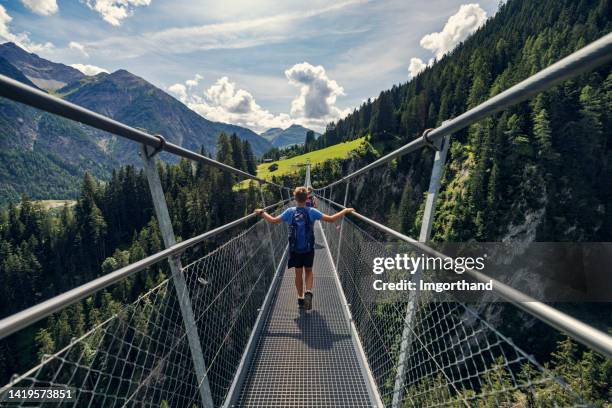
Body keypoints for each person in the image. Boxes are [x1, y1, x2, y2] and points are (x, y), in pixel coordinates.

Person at [255, 186, 354, 310]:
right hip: (308, 248)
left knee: (298, 273)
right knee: (308, 271)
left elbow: (273, 220)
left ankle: (300, 297)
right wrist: (344, 211)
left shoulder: (290, 212)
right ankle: (308, 291)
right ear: (307, 197)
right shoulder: (312, 211)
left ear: (295, 198)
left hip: (295, 249)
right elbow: (331, 219)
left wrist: (262, 212)